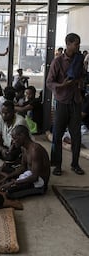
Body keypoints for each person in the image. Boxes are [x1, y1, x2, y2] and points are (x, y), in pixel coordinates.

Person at [47, 33, 85, 176]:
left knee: (76, 136)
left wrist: (79, 82)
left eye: (79, 44)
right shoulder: (57, 62)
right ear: (68, 44)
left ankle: (75, 164)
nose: (78, 46)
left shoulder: (79, 60)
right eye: (76, 44)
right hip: (62, 102)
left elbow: (81, 77)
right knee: (57, 134)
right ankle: (57, 165)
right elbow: (49, 82)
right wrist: (62, 85)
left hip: (75, 102)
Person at [0, 125, 50, 199]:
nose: (13, 142)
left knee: (8, 192)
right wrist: (7, 177)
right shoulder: (24, 148)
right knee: (6, 172)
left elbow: (35, 177)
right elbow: (23, 167)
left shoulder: (35, 150)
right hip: (30, 175)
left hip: (39, 183)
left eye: (14, 138)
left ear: (22, 136)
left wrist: (13, 182)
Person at [0, 100, 27, 166]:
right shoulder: (1, 118)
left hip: (18, 147)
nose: (3, 115)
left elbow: (15, 144)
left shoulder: (20, 121)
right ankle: (6, 161)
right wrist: (2, 149)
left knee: (10, 156)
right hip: (5, 147)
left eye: (6, 113)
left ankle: (8, 162)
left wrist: (6, 151)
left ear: (13, 112)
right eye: (2, 112)